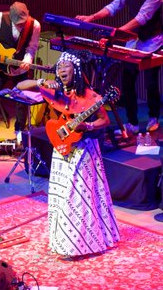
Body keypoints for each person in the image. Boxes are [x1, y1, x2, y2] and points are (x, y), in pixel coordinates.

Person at [22, 52, 120, 259]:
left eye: (65, 66)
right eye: (58, 67)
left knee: (79, 195)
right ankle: (64, 242)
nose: (61, 70)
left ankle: (86, 243)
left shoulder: (91, 96)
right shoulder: (56, 92)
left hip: (84, 149)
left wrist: (89, 125)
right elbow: (19, 87)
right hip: (61, 147)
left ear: (75, 70)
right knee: (61, 194)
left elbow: (106, 121)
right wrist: (41, 80)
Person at [77, 0, 163, 135]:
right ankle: (132, 122)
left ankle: (153, 117)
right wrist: (92, 17)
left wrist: (115, 34)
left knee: (151, 83)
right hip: (134, 40)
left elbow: (142, 18)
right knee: (127, 81)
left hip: (152, 42)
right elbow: (114, 6)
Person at [0, 1, 42, 147]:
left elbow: (31, 48)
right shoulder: (1, 17)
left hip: (19, 67)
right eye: (18, 23)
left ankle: (20, 130)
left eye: (22, 22)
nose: (21, 25)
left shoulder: (34, 25)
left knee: (21, 98)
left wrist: (27, 61)